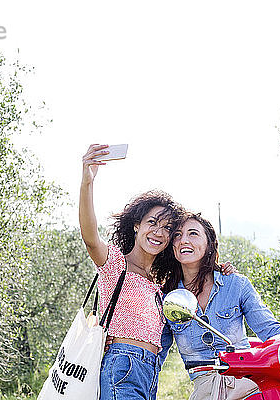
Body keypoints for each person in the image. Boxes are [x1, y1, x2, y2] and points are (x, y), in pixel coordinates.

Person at [158, 212, 280, 400]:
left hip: (247, 384)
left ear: (209, 244)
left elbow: (269, 328)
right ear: (172, 247)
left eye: (193, 233)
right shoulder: (168, 297)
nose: (183, 240)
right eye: (177, 235)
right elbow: (158, 350)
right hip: (205, 390)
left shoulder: (235, 284)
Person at [80, 144, 185, 400]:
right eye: (152, 223)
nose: (159, 232)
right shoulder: (117, 264)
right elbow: (91, 238)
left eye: (167, 228)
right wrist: (87, 183)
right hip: (121, 365)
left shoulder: (160, 281)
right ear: (136, 226)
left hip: (149, 371)